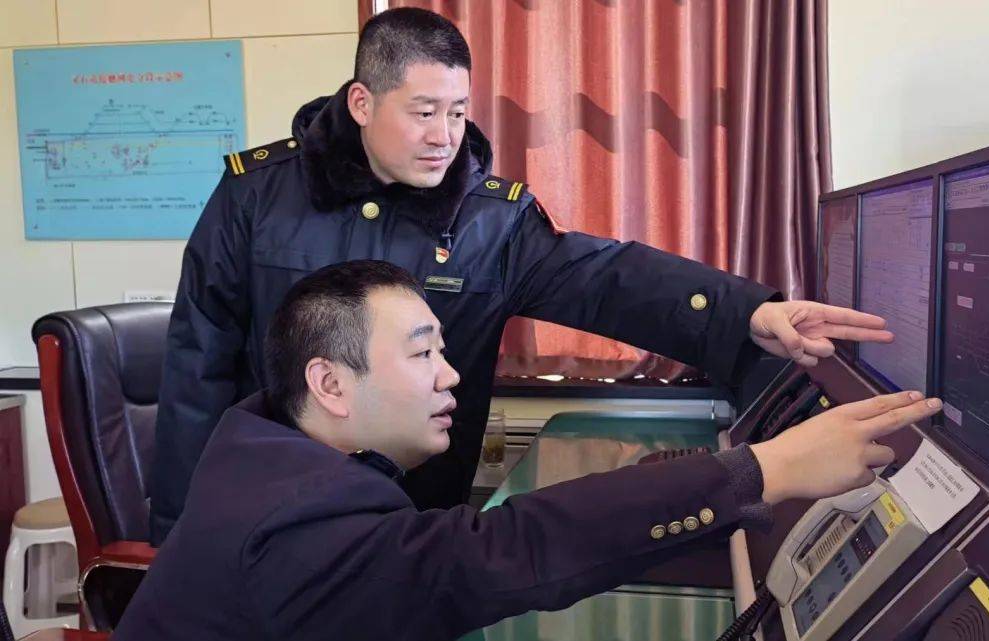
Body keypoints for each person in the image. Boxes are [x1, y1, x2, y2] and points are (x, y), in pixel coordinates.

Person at [149, 7, 894, 544]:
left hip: (408, 524)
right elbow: (196, 369)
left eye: (457, 112)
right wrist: (178, 534)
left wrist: (745, 313)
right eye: (423, 112)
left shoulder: (490, 220)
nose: (445, 136)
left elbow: (606, 278)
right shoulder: (255, 196)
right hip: (266, 518)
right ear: (363, 102)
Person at [116, 261, 941, 641]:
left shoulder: (266, 442)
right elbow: (508, 549)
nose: (451, 375)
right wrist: (771, 467)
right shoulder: (301, 523)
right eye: (422, 353)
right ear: (329, 382)